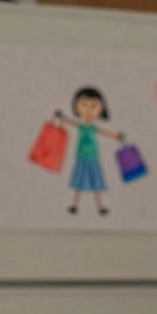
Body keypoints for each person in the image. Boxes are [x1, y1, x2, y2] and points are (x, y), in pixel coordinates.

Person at [55, 86, 123, 216]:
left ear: (101, 109)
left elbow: (105, 133)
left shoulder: (93, 128)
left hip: (93, 158)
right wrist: (62, 117)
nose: (88, 110)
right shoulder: (81, 126)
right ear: (77, 107)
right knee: (79, 183)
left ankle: (100, 206)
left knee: (95, 182)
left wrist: (116, 136)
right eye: (84, 105)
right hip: (81, 158)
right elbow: (71, 122)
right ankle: (75, 205)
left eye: (94, 106)